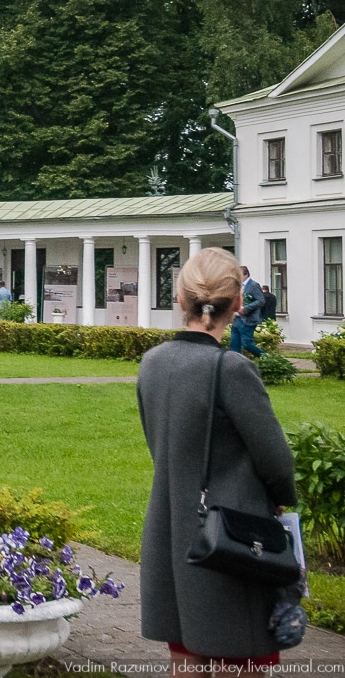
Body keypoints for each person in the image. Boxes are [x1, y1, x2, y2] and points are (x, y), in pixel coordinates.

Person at [137, 247, 297, 669]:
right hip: (233, 542)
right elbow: (277, 461)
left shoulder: (151, 363)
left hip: (172, 534)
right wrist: (283, 498)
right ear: (239, 304)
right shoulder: (233, 369)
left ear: (179, 300)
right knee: (236, 656)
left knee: (185, 657)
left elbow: (160, 444)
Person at [230, 265, 265, 358]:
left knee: (247, 344)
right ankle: (235, 366)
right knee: (234, 346)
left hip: (248, 319)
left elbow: (261, 300)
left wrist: (245, 308)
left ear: (245, 275)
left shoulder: (253, 285)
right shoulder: (237, 286)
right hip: (236, 319)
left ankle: (267, 358)